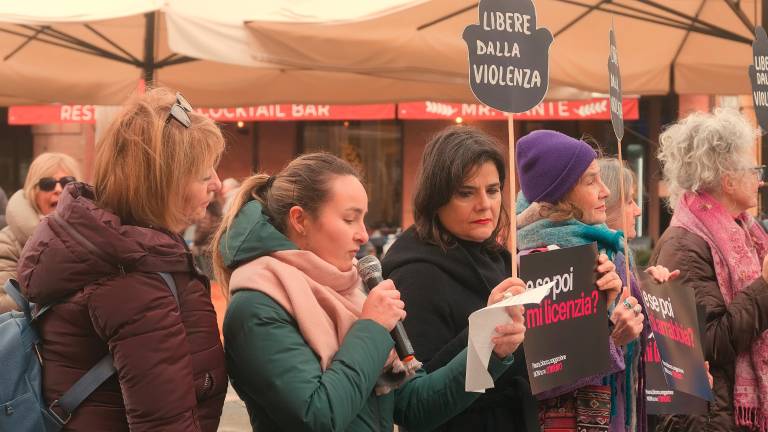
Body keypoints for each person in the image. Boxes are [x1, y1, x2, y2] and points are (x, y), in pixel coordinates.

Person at [212, 152, 527, 432]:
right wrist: (372, 328)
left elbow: (416, 407)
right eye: (350, 218)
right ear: (300, 220)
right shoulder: (258, 305)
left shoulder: (352, 291)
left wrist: (488, 346)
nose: (363, 235)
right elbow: (317, 415)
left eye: (363, 218)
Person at [17, 88, 227, 431]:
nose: (217, 184)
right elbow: (164, 424)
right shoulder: (135, 279)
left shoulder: (115, 248)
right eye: (205, 175)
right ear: (164, 182)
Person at [382, 126, 545, 431]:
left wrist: (604, 315)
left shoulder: (499, 258)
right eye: (466, 192)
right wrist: (485, 332)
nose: (485, 204)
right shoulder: (417, 274)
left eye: (493, 190)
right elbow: (417, 400)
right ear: (436, 198)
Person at [514, 130, 645, 432]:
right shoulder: (538, 261)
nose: (605, 191)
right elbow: (547, 378)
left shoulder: (602, 249)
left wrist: (621, 299)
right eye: (590, 181)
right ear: (560, 192)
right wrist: (612, 334)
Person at [649, 109, 768, 432]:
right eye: (754, 169)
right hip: (709, 419)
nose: (760, 179)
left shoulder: (747, 233)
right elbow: (707, 342)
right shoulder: (685, 245)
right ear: (727, 180)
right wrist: (765, 287)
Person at [599, 157, 680, 432]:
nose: (636, 210)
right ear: (605, 205)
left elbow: (645, 345)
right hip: (603, 417)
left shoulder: (625, 259)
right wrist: (615, 336)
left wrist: (657, 294)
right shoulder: (597, 261)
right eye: (629, 201)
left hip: (624, 412)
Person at [0, 153, 81, 314]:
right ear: (33, 191)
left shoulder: (97, 236)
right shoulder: (8, 241)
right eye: (47, 184)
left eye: (67, 182)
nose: (58, 189)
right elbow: (2, 303)